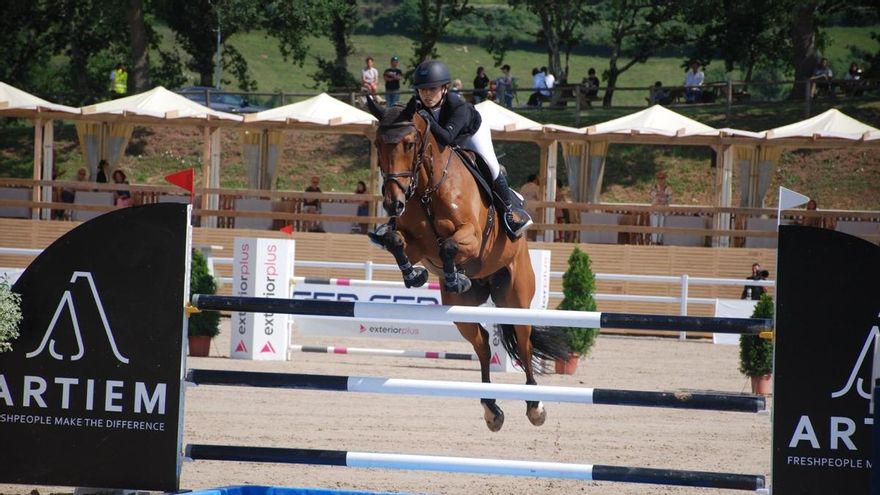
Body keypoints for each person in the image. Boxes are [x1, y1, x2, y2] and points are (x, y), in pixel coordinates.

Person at [372, 60, 531, 241]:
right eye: (423, 90)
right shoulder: (418, 107)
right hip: (445, 138)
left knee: (491, 166)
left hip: (470, 134)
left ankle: (510, 213)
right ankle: (395, 221)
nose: (427, 95)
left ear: (445, 89)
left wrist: (427, 120)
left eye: (432, 89)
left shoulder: (459, 107)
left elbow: (447, 138)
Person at [650, 170, 672, 245]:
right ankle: (654, 241)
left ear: (665, 179)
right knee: (654, 225)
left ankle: (660, 241)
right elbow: (653, 197)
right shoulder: (654, 187)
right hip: (655, 209)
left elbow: (669, 199)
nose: (660, 180)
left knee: (662, 225)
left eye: (662, 178)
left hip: (663, 210)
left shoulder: (668, 188)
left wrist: (661, 198)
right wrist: (661, 198)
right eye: (659, 178)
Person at [519, 174, 541, 241]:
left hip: (523, 210)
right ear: (535, 179)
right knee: (534, 229)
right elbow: (540, 198)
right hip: (533, 211)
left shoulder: (523, 187)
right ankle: (533, 242)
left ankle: (526, 243)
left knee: (525, 229)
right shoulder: (536, 187)